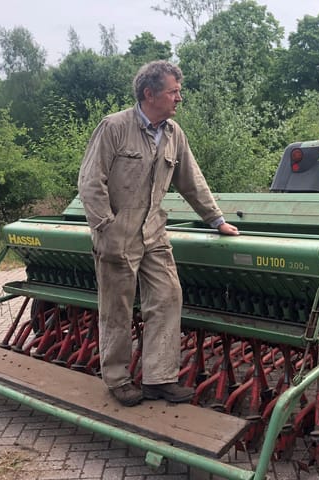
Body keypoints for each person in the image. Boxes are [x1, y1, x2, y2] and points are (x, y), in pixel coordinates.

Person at [78, 60, 239, 407]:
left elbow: (191, 181)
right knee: (117, 309)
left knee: (168, 297)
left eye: (178, 91)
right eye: (173, 91)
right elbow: (90, 182)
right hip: (117, 234)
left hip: (153, 231)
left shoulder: (173, 134)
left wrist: (216, 220)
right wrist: (105, 227)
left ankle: (159, 379)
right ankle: (118, 379)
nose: (179, 98)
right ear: (149, 94)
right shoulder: (115, 127)